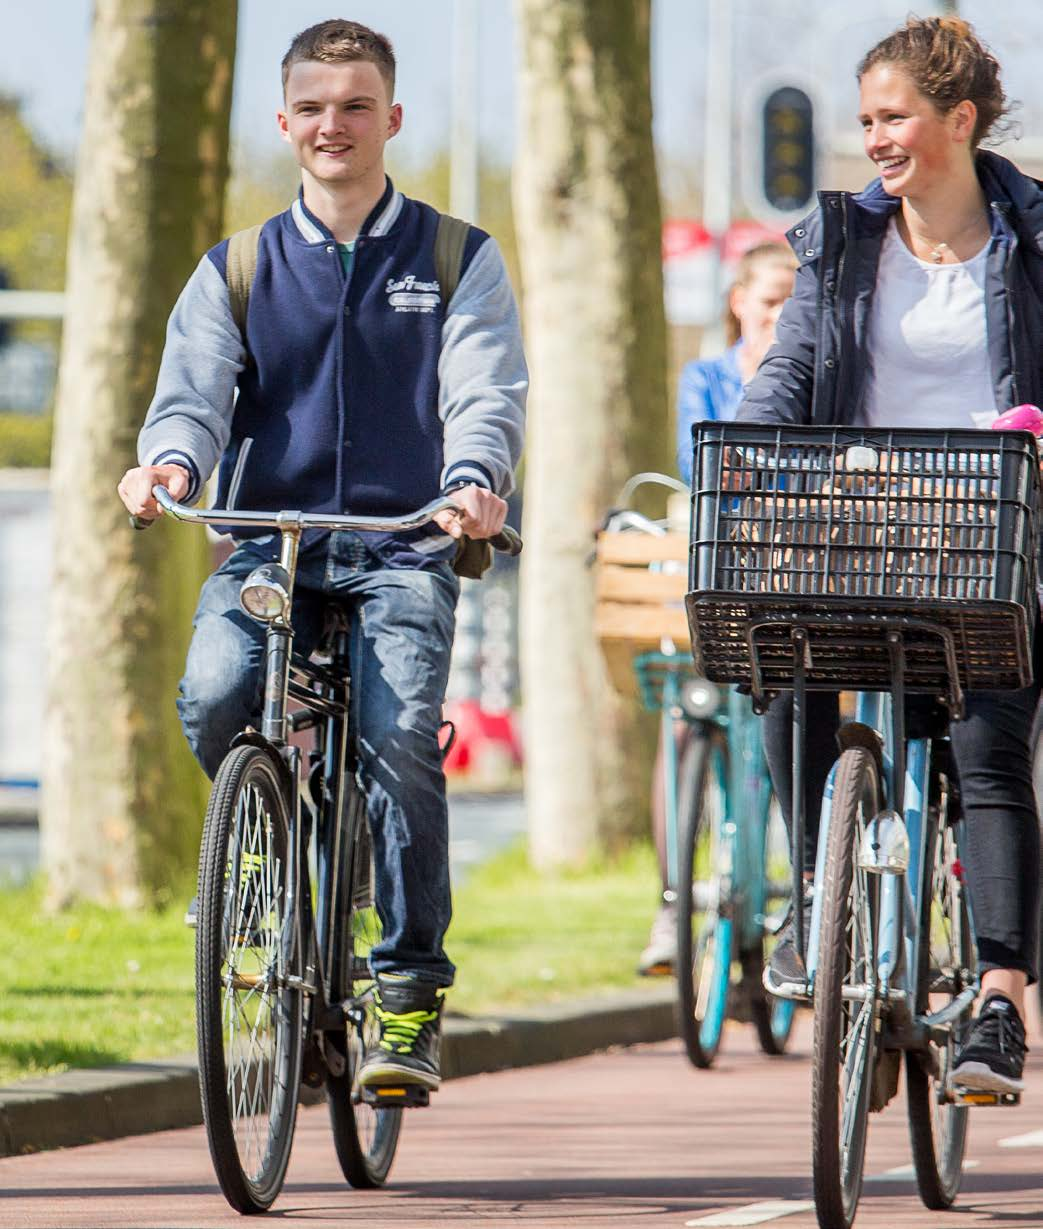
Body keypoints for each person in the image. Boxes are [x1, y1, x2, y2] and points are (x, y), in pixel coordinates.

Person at [117, 19, 526, 1093]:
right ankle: (270, 856)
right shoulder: (237, 267)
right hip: (271, 542)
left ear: (390, 118)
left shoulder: (455, 256)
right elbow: (192, 400)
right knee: (214, 694)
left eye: (354, 105)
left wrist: (475, 482)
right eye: (312, 106)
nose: (331, 124)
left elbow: (483, 393)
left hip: (404, 546)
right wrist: (166, 466)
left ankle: (406, 993)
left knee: (396, 742)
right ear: (284, 121)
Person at [738, 16, 1039, 1094]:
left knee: (985, 741)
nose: (872, 137)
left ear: (956, 121)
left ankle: (998, 997)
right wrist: (747, 442)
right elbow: (795, 360)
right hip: (858, 513)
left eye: (892, 116)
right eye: (862, 119)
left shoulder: (1032, 238)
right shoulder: (840, 239)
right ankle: (821, 902)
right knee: (782, 665)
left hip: (992, 523)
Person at [637, 244, 796, 975]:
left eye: (792, 305)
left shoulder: (809, 372)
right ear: (738, 301)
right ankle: (673, 904)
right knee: (684, 721)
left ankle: (803, 889)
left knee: (793, 726)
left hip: (792, 571)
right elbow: (702, 458)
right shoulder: (705, 376)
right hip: (721, 565)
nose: (780, 317)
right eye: (768, 302)